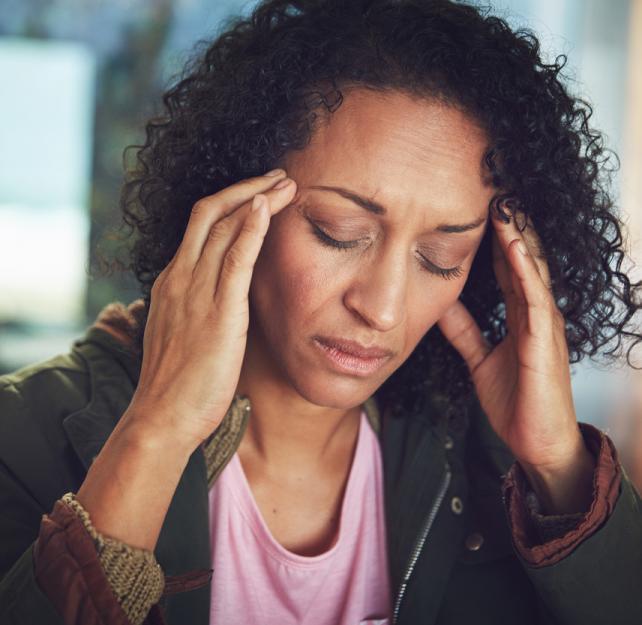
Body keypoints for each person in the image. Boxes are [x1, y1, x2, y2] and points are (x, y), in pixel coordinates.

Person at [1, 0, 641, 623]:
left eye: (442, 257)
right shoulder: (21, 434)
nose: (383, 309)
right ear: (234, 203)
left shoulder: (492, 464)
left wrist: (557, 463)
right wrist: (157, 430)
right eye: (340, 230)